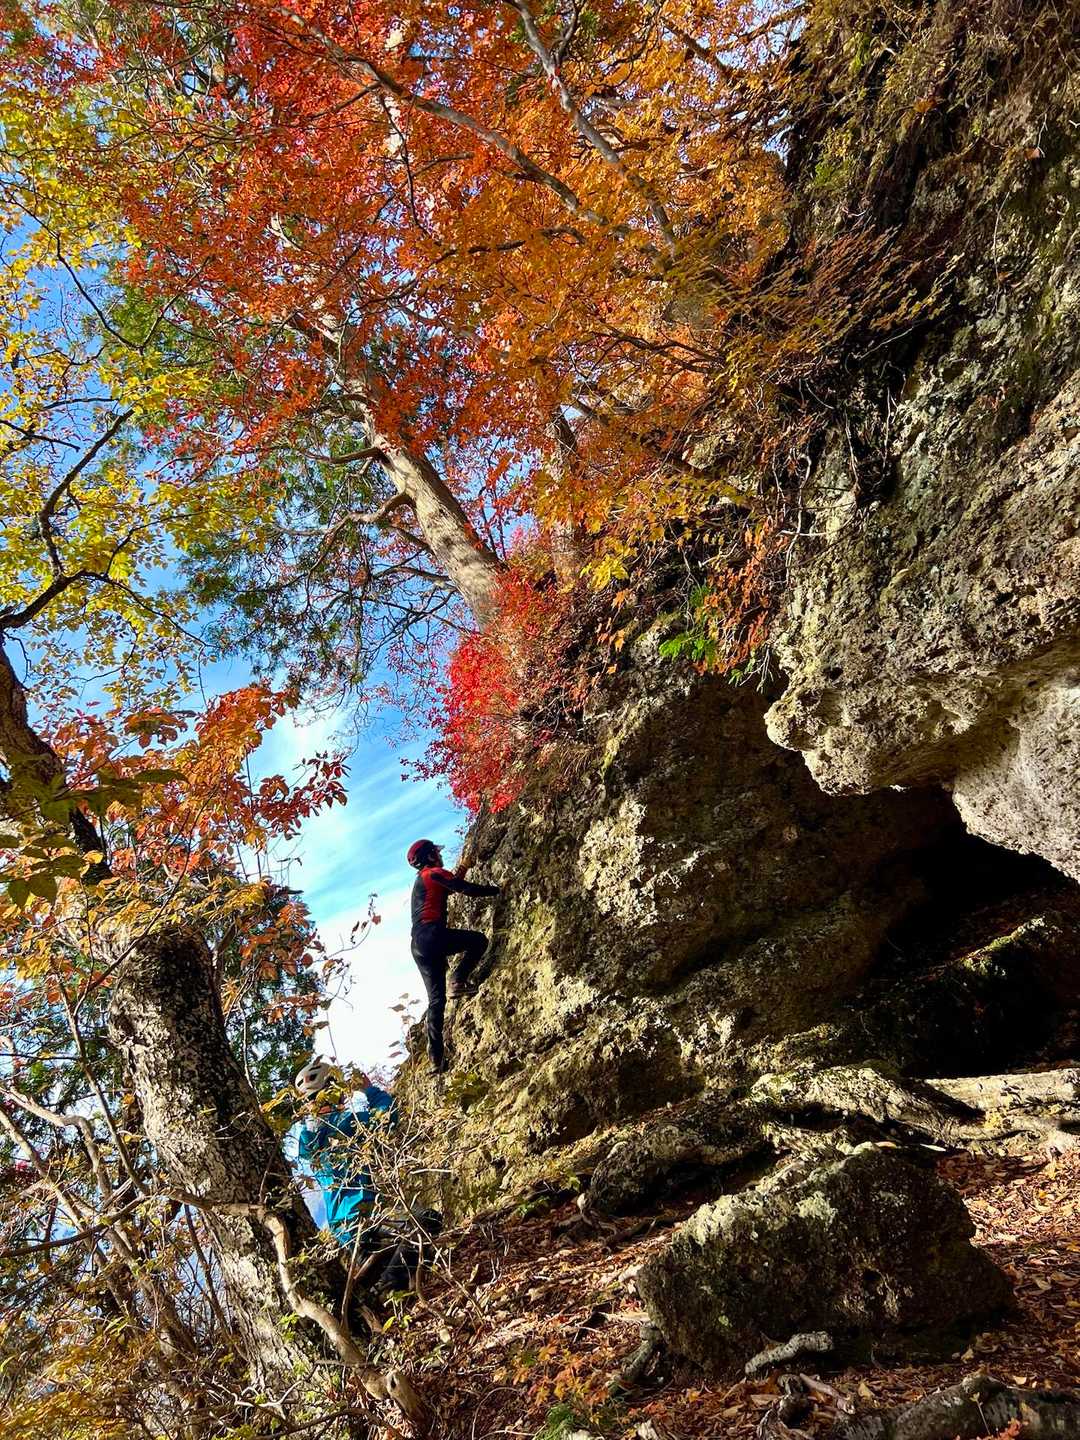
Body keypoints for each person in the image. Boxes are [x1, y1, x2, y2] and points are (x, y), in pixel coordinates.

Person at [294, 1056, 415, 1291]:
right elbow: (388, 1116)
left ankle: (385, 1290)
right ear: (332, 1090)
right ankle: (387, 1286)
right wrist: (369, 1089)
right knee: (425, 1221)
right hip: (365, 1213)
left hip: (343, 1229)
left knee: (382, 1270)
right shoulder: (348, 1124)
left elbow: (308, 1147)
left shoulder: (308, 1139)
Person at [407, 838, 500, 1074]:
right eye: (436, 853)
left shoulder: (423, 880)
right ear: (430, 856)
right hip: (432, 934)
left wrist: (464, 866)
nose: (440, 856)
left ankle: (436, 1059)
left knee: (436, 1001)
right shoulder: (433, 873)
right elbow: (465, 889)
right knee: (478, 941)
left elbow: (449, 886)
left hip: (418, 945)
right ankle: (458, 979)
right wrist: (498, 890)